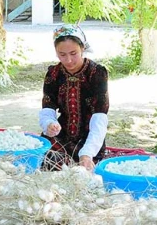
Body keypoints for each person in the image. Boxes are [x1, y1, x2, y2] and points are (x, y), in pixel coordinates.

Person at [39, 25, 109, 170]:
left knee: (88, 169)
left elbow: (100, 116)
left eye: (73, 53)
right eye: (62, 54)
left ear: (82, 48)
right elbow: (48, 107)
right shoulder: (54, 74)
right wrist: (49, 124)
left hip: (89, 137)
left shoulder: (96, 73)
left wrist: (87, 153)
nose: (69, 60)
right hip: (60, 136)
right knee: (43, 161)